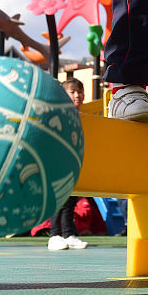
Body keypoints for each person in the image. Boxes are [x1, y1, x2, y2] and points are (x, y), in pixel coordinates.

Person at [48, 78, 90, 251]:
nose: (77, 95)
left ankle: (69, 233)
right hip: (59, 161)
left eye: (79, 92)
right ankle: (54, 235)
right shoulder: (60, 115)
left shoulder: (83, 117)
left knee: (72, 200)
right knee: (60, 199)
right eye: (72, 92)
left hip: (75, 162)